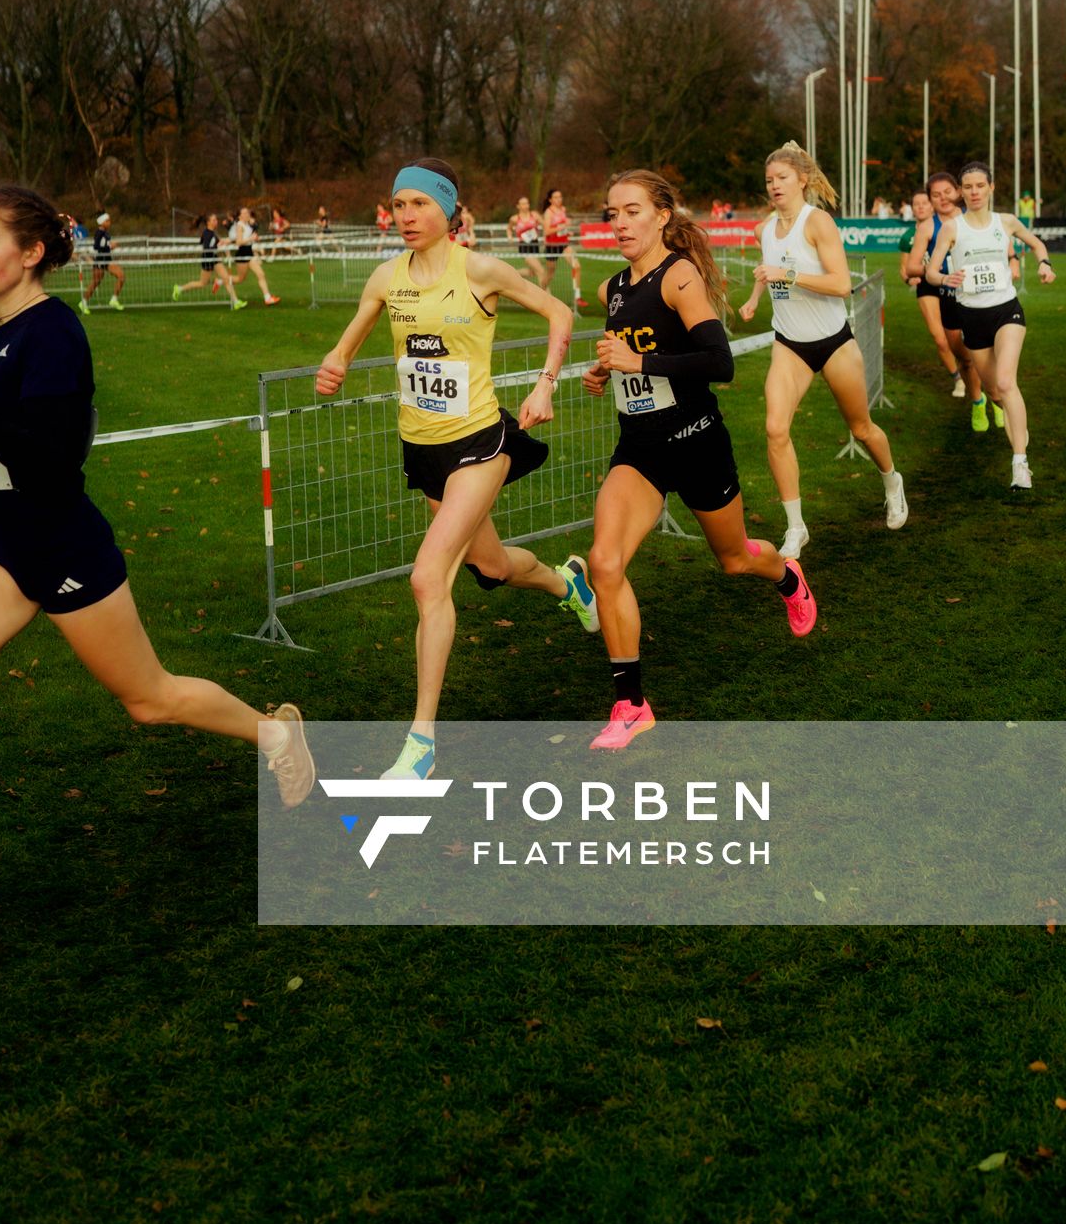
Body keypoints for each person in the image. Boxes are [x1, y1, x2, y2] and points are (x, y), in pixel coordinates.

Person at [0, 184, 312, 945]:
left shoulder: (54, 331)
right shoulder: (3, 329)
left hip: (63, 547)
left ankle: (274, 736)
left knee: (150, 699)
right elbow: (22, 428)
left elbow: (51, 462)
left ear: (30, 252)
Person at [315, 158, 599, 781]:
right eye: (397, 205)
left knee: (427, 578)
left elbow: (561, 313)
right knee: (491, 565)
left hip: (479, 441)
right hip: (423, 450)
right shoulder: (388, 276)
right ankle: (567, 584)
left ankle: (420, 745)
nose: (405, 216)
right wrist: (334, 363)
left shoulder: (480, 269)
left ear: (447, 209)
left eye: (419, 204)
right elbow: (350, 338)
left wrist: (547, 385)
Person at [582, 168, 816, 751]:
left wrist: (640, 366)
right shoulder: (614, 287)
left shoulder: (678, 276)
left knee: (735, 561)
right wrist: (607, 369)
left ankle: (787, 575)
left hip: (695, 438)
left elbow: (719, 362)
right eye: (613, 214)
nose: (620, 223)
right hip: (639, 448)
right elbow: (637, 355)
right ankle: (631, 704)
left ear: (662, 216)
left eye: (632, 211)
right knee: (604, 563)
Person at [738, 142, 907, 556]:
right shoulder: (765, 229)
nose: (774, 186)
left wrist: (787, 275)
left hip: (833, 342)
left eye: (782, 178)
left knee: (861, 429)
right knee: (775, 428)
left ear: (803, 180)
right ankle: (796, 527)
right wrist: (756, 297)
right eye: (769, 181)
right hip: (789, 344)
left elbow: (841, 284)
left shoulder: (818, 224)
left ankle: (891, 481)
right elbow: (769, 266)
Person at [925, 161, 1056, 490]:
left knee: (1006, 381)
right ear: (960, 192)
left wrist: (1044, 264)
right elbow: (930, 273)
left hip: (1006, 311)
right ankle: (1014, 424)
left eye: (980, 186)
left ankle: (1020, 464)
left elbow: (1038, 244)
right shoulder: (953, 228)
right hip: (972, 316)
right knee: (996, 392)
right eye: (967, 187)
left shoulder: (1006, 222)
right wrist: (944, 277)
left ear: (991, 188)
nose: (974, 192)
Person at [906, 171, 998, 427]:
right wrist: (936, 270)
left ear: (958, 191)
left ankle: (996, 399)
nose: (943, 198)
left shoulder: (972, 217)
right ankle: (978, 402)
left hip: (978, 294)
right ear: (930, 199)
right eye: (936, 195)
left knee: (986, 352)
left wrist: (1010, 261)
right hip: (947, 295)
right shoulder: (927, 227)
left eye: (947, 192)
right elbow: (912, 267)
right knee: (966, 358)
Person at [172, 213, 243, 308]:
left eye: (216, 220)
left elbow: (220, 242)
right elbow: (207, 248)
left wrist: (226, 248)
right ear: (208, 222)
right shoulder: (206, 234)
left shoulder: (213, 233)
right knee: (202, 283)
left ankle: (236, 301)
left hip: (215, 258)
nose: (216, 222)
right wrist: (218, 246)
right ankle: (180, 289)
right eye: (214, 220)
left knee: (226, 278)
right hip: (207, 259)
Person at [539, 187, 584, 309]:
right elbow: (547, 231)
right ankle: (540, 291)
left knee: (576, 266)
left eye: (560, 197)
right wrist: (562, 226)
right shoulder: (548, 212)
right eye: (556, 197)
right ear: (550, 200)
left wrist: (567, 232)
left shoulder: (563, 209)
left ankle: (577, 296)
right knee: (550, 273)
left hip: (563, 244)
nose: (559, 199)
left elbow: (562, 227)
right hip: (552, 246)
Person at [229, 207, 279, 305]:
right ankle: (222, 281)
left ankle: (267, 298)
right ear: (240, 216)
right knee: (240, 279)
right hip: (242, 254)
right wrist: (250, 238)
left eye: (248, 212)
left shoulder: (248, 224)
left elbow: (249, 236)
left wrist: (254, 238)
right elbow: (238, 242)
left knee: (261, 274)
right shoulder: (239, 225)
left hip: (250, 253)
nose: (247, 214)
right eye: (244, 213)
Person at [79, 211, 125, 314]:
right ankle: (84, 302)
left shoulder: (105, 233)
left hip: (107, 260)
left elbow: (104, 245)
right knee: (96, 282)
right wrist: (110, 246)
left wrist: (110, 246)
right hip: (100, 260)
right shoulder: (99, 233)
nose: (109, 223)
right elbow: (96, 247)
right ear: (102, 222)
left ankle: (114, 300)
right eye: (107, 221)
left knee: (121, 276)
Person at [507, 196, 544, 282]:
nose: (526, 205)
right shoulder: (515, 218)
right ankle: (547, 294)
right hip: (524, 246)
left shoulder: (534, 215)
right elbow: (509, 228)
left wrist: (546, 236)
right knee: (541, 271)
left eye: (527, 203)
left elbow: (545, 224)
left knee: (534, 272)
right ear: (518, 206)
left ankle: (513, 274)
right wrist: (510, 237)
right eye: (523, 204)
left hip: (535, 245)